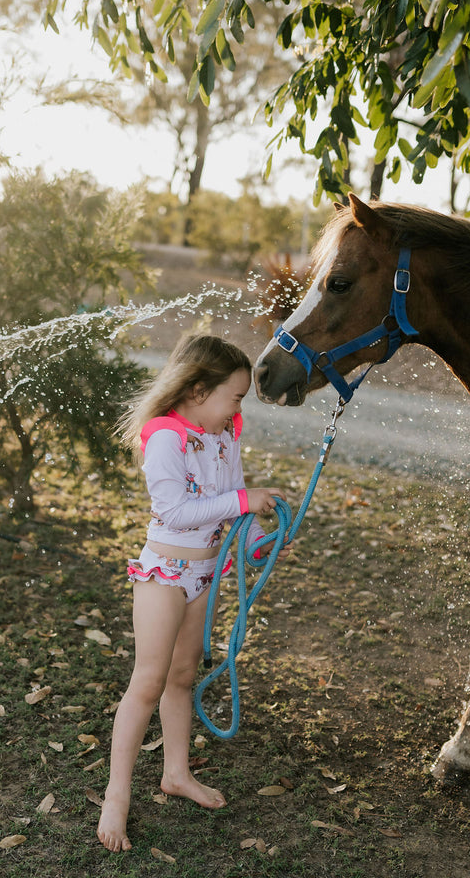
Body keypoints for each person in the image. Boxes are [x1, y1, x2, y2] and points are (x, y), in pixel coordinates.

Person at [97, 333, 285, 852]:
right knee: (149, 681)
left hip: (206, 572)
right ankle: (116, 795)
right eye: (235, 396)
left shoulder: (224, 435)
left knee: (183, 676)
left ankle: (175, 773)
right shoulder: (166, 438)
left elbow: (233, 509)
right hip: (166, 574)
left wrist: (259, 542)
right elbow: (178, 511)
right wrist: (245, 501)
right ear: (199, 391)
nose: (237, 408)